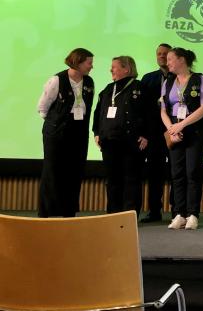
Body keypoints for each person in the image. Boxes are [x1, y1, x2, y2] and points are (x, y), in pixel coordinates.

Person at [161, 47, 203, 230]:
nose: (167, 63)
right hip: (175, 133)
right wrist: (171, 129)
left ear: (182, 60)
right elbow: (163, 110)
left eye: (170, 59)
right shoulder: (168, 82)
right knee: (176, 174)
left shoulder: (201, 79)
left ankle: (193, 214)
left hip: (196, 132)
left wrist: (182, 125)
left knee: (192, 172)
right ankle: (179, 214)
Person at [37, 48, 95, 217]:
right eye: (89, 63)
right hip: (57, 133)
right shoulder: (57, 80)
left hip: (79, 132)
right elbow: (42, 108)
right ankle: (45, 213)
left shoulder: (89, 82)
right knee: (52, 171)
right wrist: (57, 124)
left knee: (75, 172)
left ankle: (68, 212)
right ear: (78, 62)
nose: (91, 66)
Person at [92, 56, 149, 215]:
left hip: (132, 142)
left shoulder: (140, 88)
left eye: (114, 67)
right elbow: (98, 113)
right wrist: (97, 133)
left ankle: (129, 215)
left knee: (131, 179)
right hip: (109, 141)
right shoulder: (108, 89)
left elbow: (150, 114)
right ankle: (113, 214)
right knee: (112, 180)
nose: (111, 70)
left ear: (126, 69)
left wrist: (146, 135)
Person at [140, 43, 173, 222]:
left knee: (176, 172)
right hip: (153, 134)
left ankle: (177, 210)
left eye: (165, 53)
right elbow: (141, 108)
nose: (161, 56)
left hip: (174, 131)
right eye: (159, 53)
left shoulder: (180, 78)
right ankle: (154, 211)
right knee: (154, 173)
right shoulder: (148, 79)